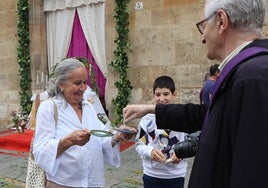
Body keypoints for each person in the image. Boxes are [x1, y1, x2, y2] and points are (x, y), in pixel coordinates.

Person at [123, 0, 268, 187]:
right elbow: (204, 114)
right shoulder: (244, 72)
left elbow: (252, 170)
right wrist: (151, 109)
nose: (203, 38)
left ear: (221, 21)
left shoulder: (253, 77)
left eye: (204, 26)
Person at [33, 58, 136, 188]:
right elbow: (40, 151)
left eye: (85, 82)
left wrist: (117, 136)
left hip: (92, 181)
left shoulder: (88, 107)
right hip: (63, 183)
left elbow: (100, 138)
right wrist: (68, 141)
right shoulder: (49, 108)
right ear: (61, 84)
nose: (83, 88)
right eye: (77, 83)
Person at [135, 76, 187, 188]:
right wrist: (150, 151)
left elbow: (191, 144)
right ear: (153, 95)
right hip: (151, 175)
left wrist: (181, 154)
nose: (161, 99)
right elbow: (139, 145)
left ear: (174, 94)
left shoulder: (183, 119)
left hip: (175, 176)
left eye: (166, 94)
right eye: (158, 95)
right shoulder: (147, 120)